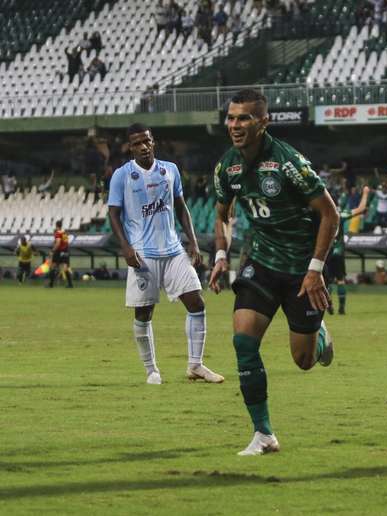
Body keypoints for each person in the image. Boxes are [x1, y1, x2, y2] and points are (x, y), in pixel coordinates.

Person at [208, 89, 340, 457]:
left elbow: (330, 215)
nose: (235, 125)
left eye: (244, 118)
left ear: (263, 122)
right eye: (231, 118)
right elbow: (223, 214)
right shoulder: (227, 167)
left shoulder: (288, 162)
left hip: (302, 270)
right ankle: (263, 434)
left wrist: (315, 270)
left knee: (303, 361)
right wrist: (221, 255)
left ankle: (319, 338)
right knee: (243, 342)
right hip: (262, 262)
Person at [108, 123, 223, 386]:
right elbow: (113, 214)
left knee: (197, 303)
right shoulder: (122, 176)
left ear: (153, 142)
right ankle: (151, 370)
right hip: (142, 255)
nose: (143, 146)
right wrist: (125, 247)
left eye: (147, 141)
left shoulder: (169, 170)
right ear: (130, 147)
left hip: (173, 251)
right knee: (144, 313)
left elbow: (181, 207)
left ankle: (196, 365)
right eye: (137, 143)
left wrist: (192, 242)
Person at [326, 186, 370, 315]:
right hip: (339, 252)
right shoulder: (340, 215)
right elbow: (361, 209)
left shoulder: (321, 216)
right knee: (340, 280)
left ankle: (329, 304)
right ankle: (342, 308)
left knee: (327, 282)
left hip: (327, 252)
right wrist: (366, 193)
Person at [48, 219, 73, 288]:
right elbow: (66, 242)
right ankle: (70, 284)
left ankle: (51, 284)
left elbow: (58, 243)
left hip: (59, 251)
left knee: (52, 266)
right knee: (65, 268)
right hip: (66, 251)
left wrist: (53, 250)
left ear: (56, 225)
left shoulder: (58, 233)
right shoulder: (64, 232)